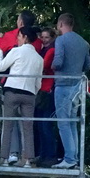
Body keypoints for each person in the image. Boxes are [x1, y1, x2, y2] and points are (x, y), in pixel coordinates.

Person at [0, 26, 43, 167]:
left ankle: (4, 158)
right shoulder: (39, 59)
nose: (18, 39)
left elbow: (1, 67)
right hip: (29, 94)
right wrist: (32, 91)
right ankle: (28, 160)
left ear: (25, 37)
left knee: (8, 125)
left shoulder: (17, 51)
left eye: (19, 36)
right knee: (28, 127)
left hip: (12, 92)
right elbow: (38, 82)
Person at [51, 13, 90, 169]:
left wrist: (52, 66)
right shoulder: (84, 43)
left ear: (61, 24)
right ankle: (74, 158)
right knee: (73, 121)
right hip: (77, 87)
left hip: (63, 85)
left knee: (63, 123)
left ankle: (69, 158)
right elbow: (88, 66)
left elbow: (58, 61)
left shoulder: (61, 40)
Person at [34, 27, 59, 164]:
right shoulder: (43, 50)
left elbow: (44, 65)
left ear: (52, 38)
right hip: (42, 89)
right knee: (40, 124)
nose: (43, 40)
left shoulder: (51, 51)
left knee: (45, 124)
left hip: (48, 89)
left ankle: (50, 155)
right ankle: (43, 154)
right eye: (42, 37)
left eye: (46, 37)